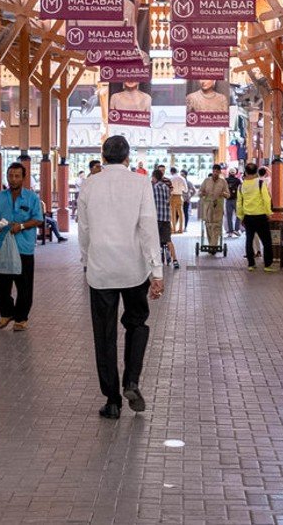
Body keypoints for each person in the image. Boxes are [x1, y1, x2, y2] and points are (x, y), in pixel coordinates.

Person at [77, 135, 165, 420]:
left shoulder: (89, 184)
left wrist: (86, 260)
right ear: (127, 157)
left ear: (103, 157)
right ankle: (132, 381)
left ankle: (112, 401)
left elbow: (84, 229)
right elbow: (148, 228)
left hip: (101, 269)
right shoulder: (140, 183)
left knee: (104, 335)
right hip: (133, 268)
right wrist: (157, 272)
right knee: (137, 323)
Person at [0, 163, 44, 331]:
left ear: (23, 178)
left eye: (17, 176)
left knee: (24, 285)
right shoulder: (0, 197)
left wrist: (20, 226)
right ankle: (6, 313)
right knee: (0, 284)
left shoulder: (31, 198)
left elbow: (38, 219)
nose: (13, 179)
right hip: (2, 245)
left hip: (23, 247)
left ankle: (21, 318)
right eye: (10, 176)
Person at [236, 162, 275, 272]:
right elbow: (266, 199)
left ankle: (251, 264)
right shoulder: (260, 183)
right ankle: (267, 265)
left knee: (249, 240)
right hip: (261, 216)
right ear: (256, 172)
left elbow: (239, 203)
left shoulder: (241, 186)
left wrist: (241, 216)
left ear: (246, 172)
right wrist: (268, 213)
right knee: (266, 241)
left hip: (248, 217)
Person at [151, 168, 181, 271]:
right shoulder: (166, 188)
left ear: (154, 177)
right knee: (168, 240)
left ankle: (155, 261)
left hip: (156, 218)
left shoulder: (153, 188)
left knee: (154, 240)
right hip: (166, 218)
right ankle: (175, 261)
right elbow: (167, 200)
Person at [199, 164, 230, 247]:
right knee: (208, 225)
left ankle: (213, 246)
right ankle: (211, 244)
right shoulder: (206, 181)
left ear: (220, 172)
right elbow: (200, 192)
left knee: (216, 226)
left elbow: (228, 195)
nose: (215, 173)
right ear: (212, 171)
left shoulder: (223, 182)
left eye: (217, 171)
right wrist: (202, 193)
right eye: (214, 171)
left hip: (218, 207)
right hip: (207, 207)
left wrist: (223, 193)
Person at [167, 167, 187, 233]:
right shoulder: (182, 178)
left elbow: (168, 189)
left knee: (172, 213)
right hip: (180, 196)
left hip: (172, 196)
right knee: (181, 213)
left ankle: (173, 229)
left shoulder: (170, 178)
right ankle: (181, 229)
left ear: (171, 172)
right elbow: (186, 190)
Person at [224, 168, 242, 236]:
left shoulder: (226, 180)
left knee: (229, 216)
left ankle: (230, 232)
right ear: (235, 173)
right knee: (238, 215)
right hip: (236, 200)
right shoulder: (238, 180)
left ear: (229, 173)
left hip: (228, 200)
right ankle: (236, 230)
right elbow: (241, 189)